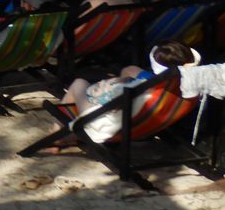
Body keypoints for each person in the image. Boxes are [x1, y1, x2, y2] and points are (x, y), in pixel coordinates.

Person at [59, 40, 199, 143]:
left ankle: (59, 134)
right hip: (140, 125)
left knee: (79, 83)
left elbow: (111, 105)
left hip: (104, 127)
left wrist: (102, 92)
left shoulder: (142, 89)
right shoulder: (194, 86)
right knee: (129, 72)